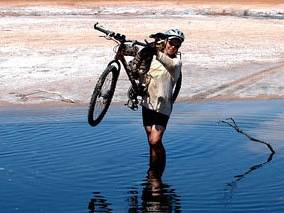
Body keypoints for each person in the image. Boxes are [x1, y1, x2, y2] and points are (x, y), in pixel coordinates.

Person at [140, 28, 185, 169]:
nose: (173, 46)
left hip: (163, 107)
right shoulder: (153, 58)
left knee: (155, 141)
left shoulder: (176, 62)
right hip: (147, 104)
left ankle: (160, 169)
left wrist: (154, 50)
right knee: (150, 140)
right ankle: (153, 171)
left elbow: (168, 61)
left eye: (177, 45)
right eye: (171, 43)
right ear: (165, 42)